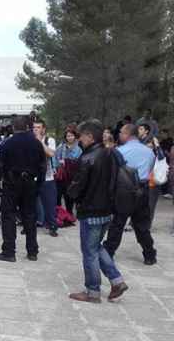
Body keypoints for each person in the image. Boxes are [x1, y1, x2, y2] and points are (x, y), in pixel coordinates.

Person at [67, 120, 128, 303]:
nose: (80, 140)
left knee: (90, 251)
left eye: (82, 136)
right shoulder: (111, 154)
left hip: (91, 210)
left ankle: (93, 291)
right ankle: (117, 280)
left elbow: (76, 188)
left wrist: (70, 192)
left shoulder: (87, 159)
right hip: (107, 209)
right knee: (96, 246)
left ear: (89, 136)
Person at [0, 116, 46, 262]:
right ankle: (32, 251)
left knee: (8, 216)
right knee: (30, 216)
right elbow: (43, 166)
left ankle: (9, 251)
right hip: (30, 183)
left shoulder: (7, 143)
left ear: (14, 128)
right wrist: (39, 185)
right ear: (28, 127)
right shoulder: (36, 144)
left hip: (11, 183)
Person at [104, 124, 157, 265]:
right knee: (142, 225)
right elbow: (150, 169)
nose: (119, 135)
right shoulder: (149, 152)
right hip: (143, 190)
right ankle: (149, 254)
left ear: (127, 134)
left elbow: (112, 172)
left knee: (118, 223)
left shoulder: (120, 151)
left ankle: (108, 252)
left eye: (121, 132)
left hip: (124, 191)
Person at [33, 120, 59, 237]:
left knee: (50, 203)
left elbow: (51, 154)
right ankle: (31, 224)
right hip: (32, 177)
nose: (36, 130)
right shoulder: (29, 140)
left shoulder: (50, 140)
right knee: (31, 203)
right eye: (34, 127)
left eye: (38, 127)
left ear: (43, 129)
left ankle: (52, 225)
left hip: (47, 177)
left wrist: (40, 142)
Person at [55, 126, 82, 216]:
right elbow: (56, 158)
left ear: (75, 136)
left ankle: (69, 213)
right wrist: (59, 163)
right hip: (61, 175)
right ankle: (59, 214)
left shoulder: (78, 149)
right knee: (58, 195)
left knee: (69, 196)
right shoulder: (61, 147)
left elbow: (79, 162)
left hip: (71, 176)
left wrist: (66, 162)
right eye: (68, 136)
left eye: (71, 135)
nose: (69, 137)